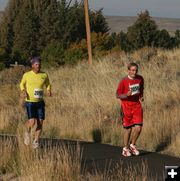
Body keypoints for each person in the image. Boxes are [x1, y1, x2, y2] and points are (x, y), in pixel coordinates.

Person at [20, 57, 52, 148]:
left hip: (40, 102)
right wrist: (23, 91)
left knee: (40, 122)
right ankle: (27, 133)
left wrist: (49, 90)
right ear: (32, 65)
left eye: (39, 64)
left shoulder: (44, 75)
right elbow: (21, 84)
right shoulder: (27, 75)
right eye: (37, 64)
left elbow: (48, 83)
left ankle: (36, 141)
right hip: (30, 102)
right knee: (32, 122)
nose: (39, 66)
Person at [116, 62, 144, 157]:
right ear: (128, 70)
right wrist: (126, 95)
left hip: (137, 105)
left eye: (136, 70)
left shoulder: (140, 79)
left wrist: (141, 97)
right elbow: (117, 95)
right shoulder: (124, 81)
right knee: (128, 129)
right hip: (126, 106)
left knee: (139, 128)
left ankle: (132, 145)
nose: (134, 72)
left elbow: (141, 89)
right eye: (132, 70)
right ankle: (125, 148)